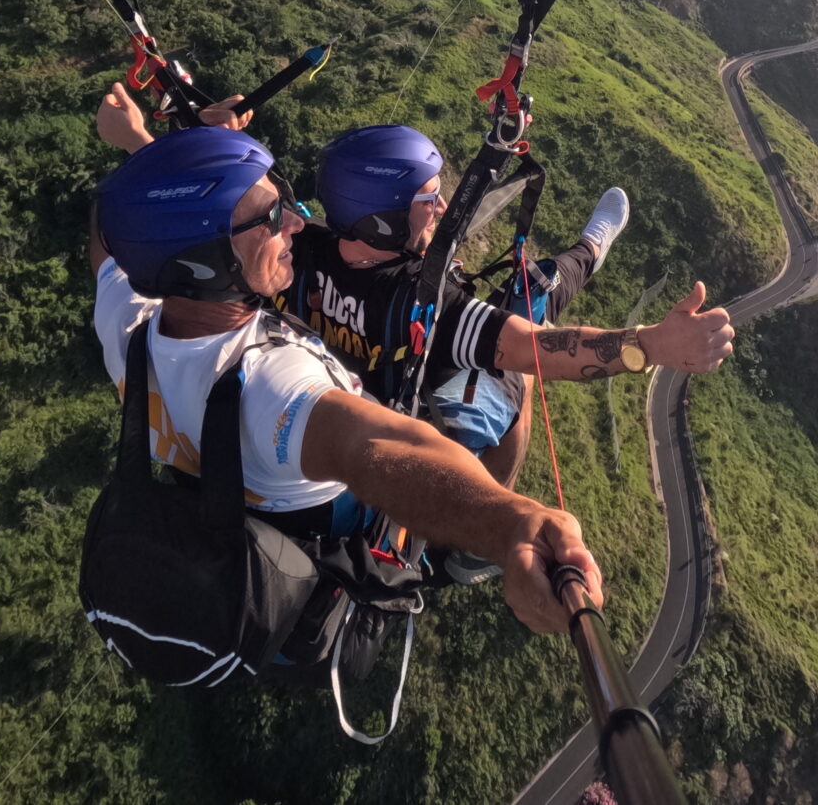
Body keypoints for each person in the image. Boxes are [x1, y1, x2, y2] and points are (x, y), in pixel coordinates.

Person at [88, 115, 602, 636]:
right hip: (343, 523)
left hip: (228, 492)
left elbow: (119, 241)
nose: (293, 222)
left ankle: (591, 249)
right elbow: (382, 456)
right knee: (517, 379)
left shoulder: (126, 320)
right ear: (205, 263)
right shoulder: (278, 388)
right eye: (270, 218)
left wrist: (172, 157)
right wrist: (509, 524)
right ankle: (467, 557)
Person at [298, 125, 734, 499]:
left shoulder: (293, 250)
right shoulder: (418, 304)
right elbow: (537, 348)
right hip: (414, 416)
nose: (442, 208)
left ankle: (591, 249)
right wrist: (652, 345)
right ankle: (483, 514)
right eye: (428, 200)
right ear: (383, 219)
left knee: (531, 295)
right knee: (529, 319)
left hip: (339, 412)